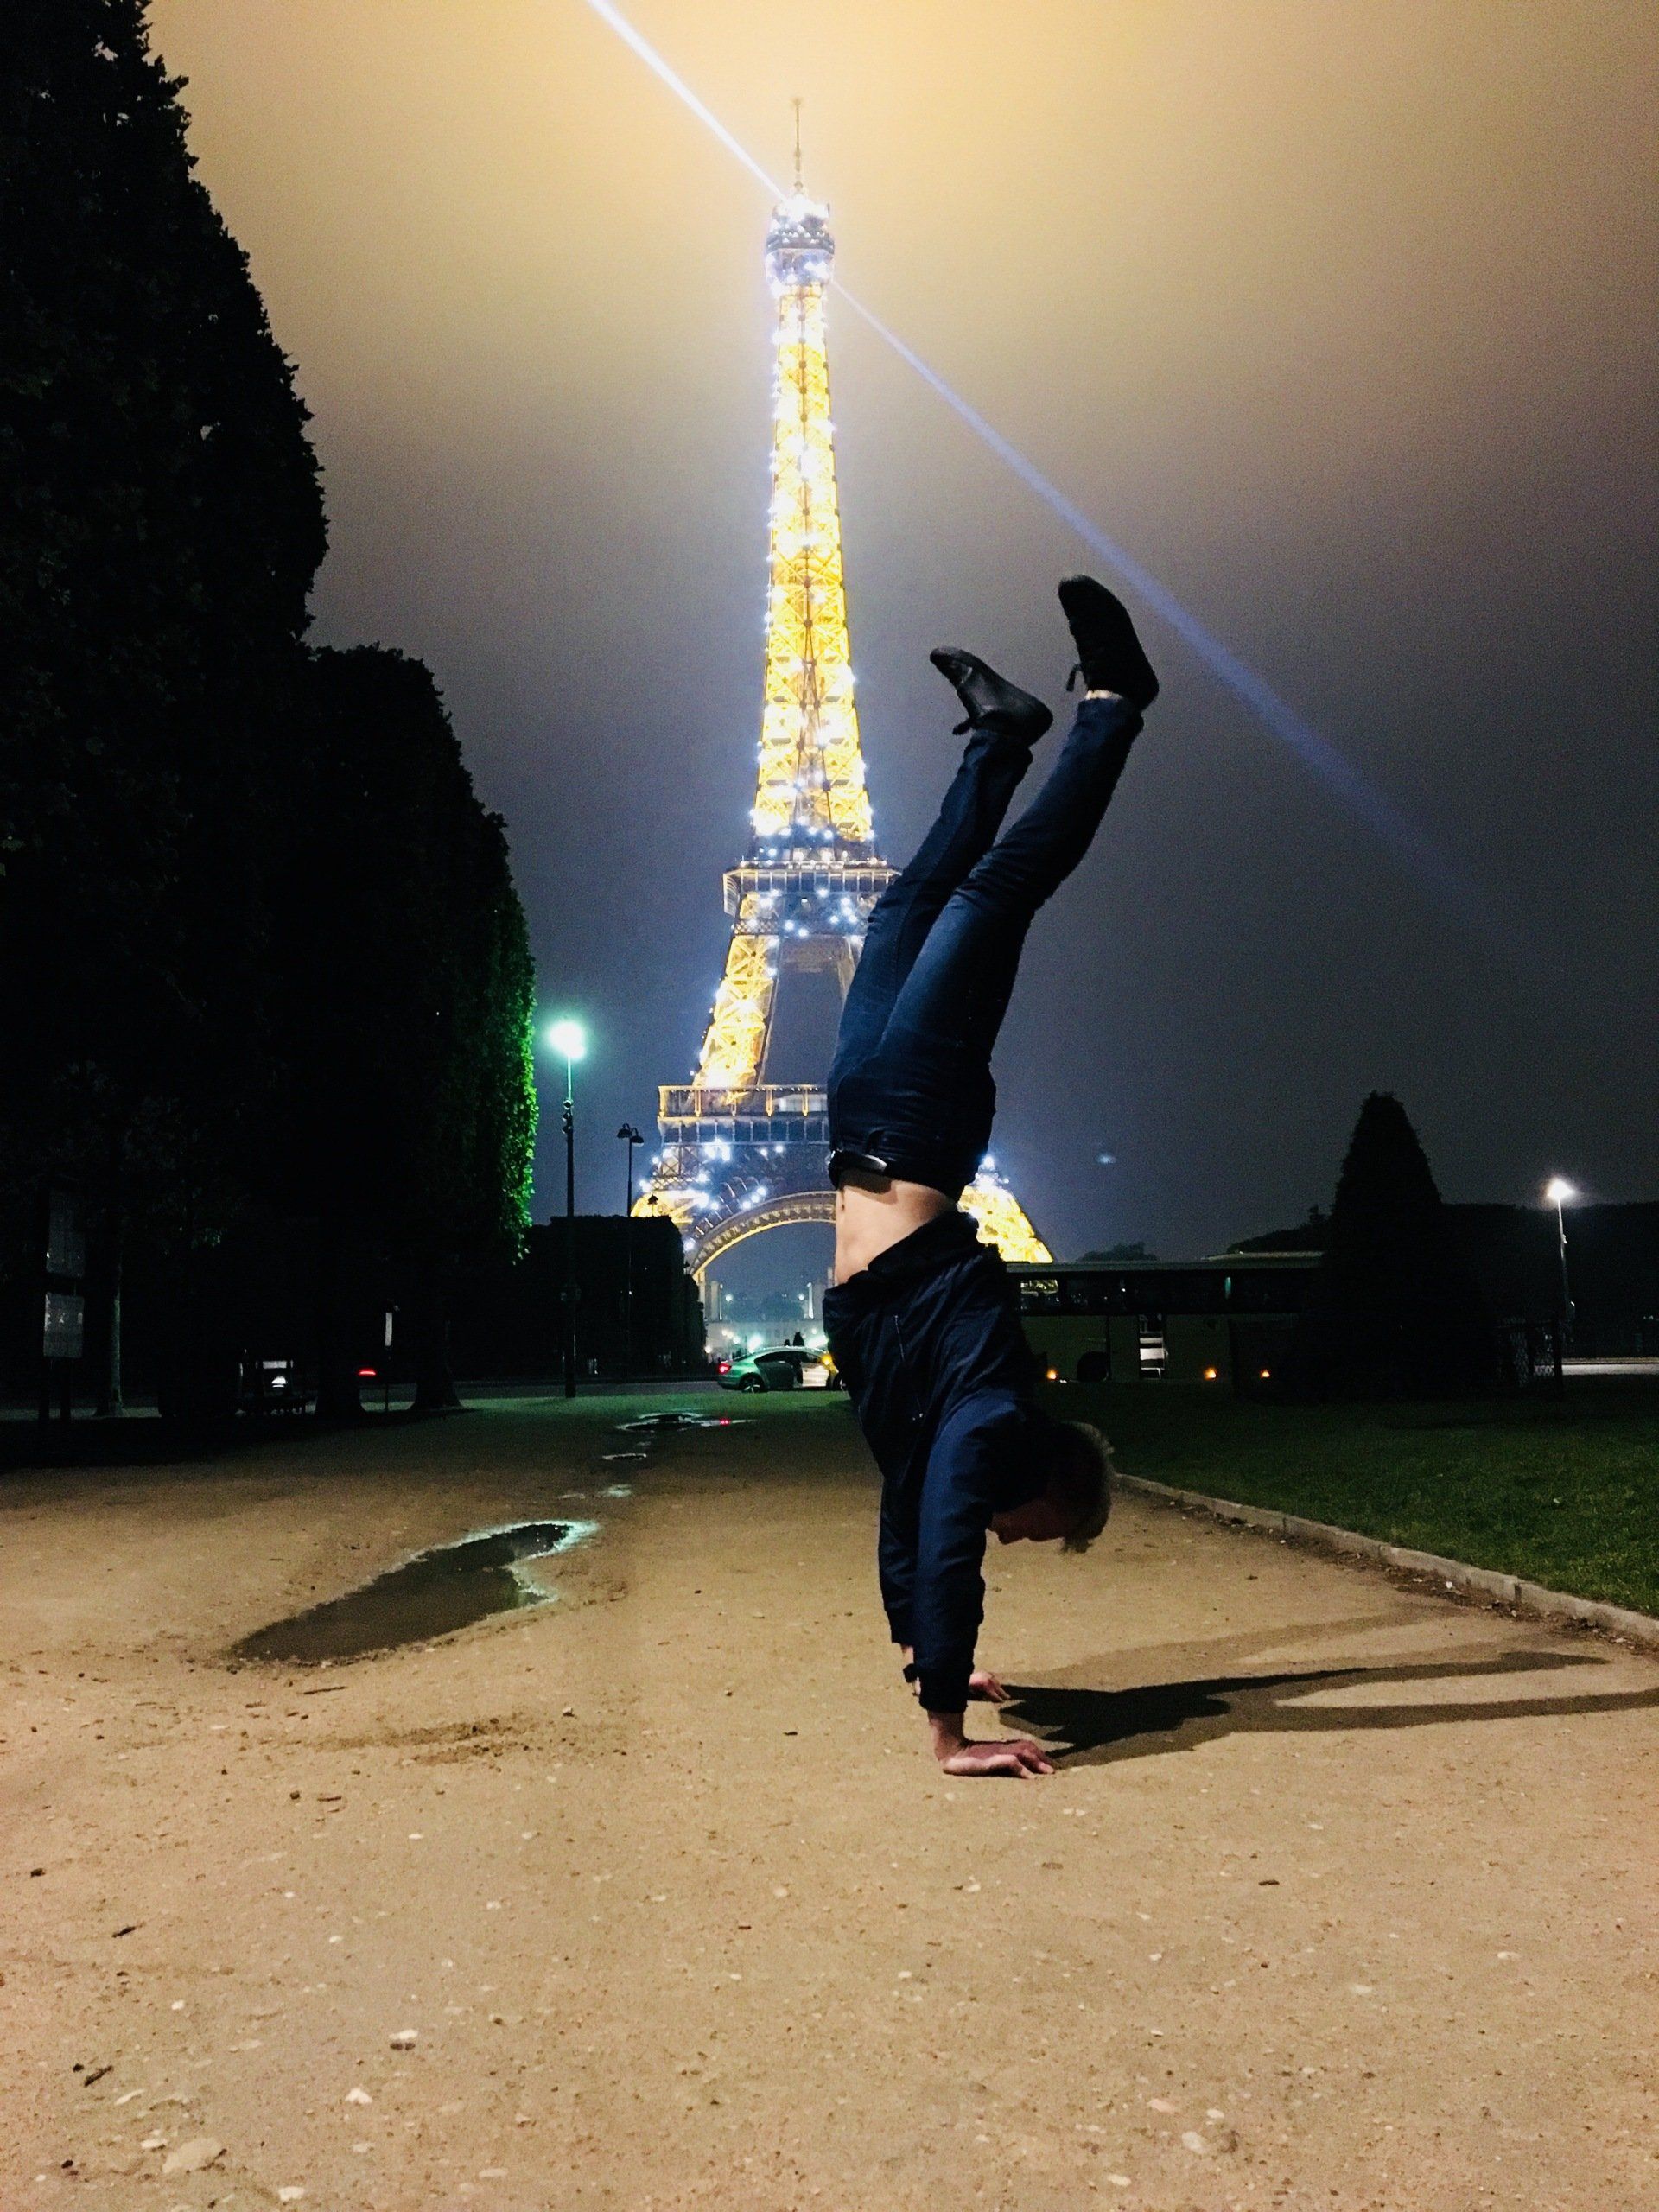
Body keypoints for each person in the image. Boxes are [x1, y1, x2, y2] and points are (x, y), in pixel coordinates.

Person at [822, 575, 1159, 1779]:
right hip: (917, 1126)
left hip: (861, 1123)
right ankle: (1114, 707)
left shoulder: (941, 1435)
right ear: (1048, 1481)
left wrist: (937, 1664)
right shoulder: (989, 1416)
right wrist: (947, 1735)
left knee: (903, 907)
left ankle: (1002, 737)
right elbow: (952, 1533)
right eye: (1047, 1533)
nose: (1022, 1545)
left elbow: (912, 1537)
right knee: (991, 898)